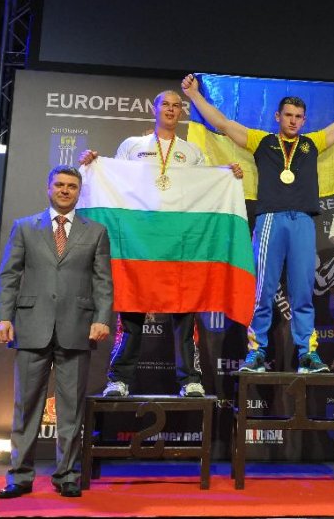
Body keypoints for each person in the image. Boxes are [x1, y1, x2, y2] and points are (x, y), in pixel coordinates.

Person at [182, 73, 334, 373]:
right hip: (270, 220)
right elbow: (224, 125)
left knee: (303, 291)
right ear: (277, 116)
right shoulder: (261, 141)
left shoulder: (312, 143)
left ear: (304, 120)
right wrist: (195, 97)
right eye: (288, 116)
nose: (293, 121)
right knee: (264, 289)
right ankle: (256, 353)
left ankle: (308, 354)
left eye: (299, 117)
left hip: (304, 222)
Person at [80, 90, 242, 398]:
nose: (170, 109)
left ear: (182, 113)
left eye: (176, 105)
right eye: (165, 104)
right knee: (131, 312)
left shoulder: (192, 151)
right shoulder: (132, 146)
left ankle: (189, 380)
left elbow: (204, 188)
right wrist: (93, 163)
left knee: (184, 314)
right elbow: (116, 181)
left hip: (179, 245)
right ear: (154, 110)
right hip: (140, 242)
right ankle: (119, 379)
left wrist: (228, 174)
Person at [0, 165, 113, 499]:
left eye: (71, 186)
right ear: (48, 188)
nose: (65, 190)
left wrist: (103, 317)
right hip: (31, 326)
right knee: (26, 406)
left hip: (77, 327)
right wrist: (3, 317)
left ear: (79, 192)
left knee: (71, 408)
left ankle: (67, 475)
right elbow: (9, 277)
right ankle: (19, 475)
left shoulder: (97, 231)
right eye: (59, 185)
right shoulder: (24, 227)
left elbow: (103, 281)